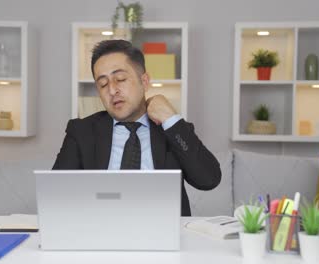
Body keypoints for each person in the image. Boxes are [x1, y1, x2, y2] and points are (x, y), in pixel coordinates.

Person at [53, 39, 221, 216]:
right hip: (101, 230)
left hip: (162, 232)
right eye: (103, 84)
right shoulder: (82, 131)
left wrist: (171, 119)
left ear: (145, 82)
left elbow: (209, 179)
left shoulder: (171, 129)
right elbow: (55, 194)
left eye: (120, 79)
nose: (112, 90)